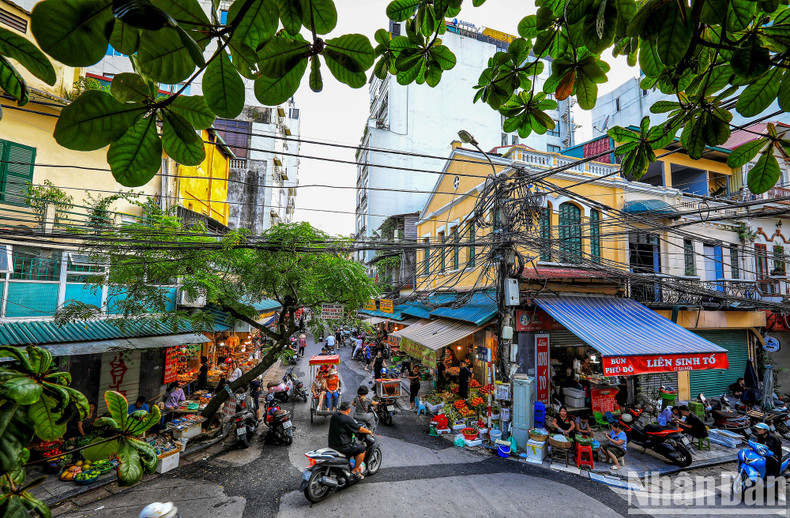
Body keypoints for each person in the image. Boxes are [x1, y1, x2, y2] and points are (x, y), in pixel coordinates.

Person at [328, 401, 373, 478]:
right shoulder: (347, 419)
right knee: (361, 449)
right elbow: (359, 429)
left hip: (332, 444)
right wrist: (368, 431)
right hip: (343, 447)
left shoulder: (334, 415)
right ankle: (355, 470)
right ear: (348, 409)